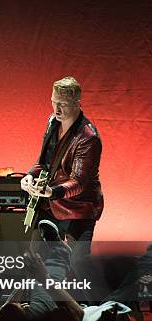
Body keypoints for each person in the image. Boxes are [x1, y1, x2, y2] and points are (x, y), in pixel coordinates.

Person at [21, 76, 103, 261]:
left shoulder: (88, 137)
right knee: (34, 259)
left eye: (63, 104)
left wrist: (52, 191)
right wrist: (29, 176)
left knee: (79, 268)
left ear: (77, 103)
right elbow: (45, 161)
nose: (56, 109)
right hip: (50, 202)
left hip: (79, 206)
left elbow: (79, 182)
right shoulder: (52, 121)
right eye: (54, 102)